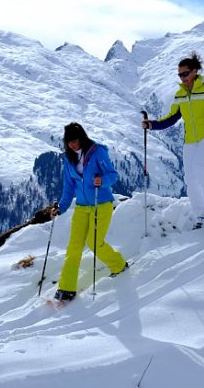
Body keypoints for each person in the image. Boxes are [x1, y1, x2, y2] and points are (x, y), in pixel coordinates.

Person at [142, 52, 204, 222]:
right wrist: (151, 124)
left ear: (195, 71)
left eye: (185, 74)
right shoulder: (180, 95)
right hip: (190, 140)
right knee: (189, 177)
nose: (183, 78)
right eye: (180, 75)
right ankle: (202, 212)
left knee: (199, 166)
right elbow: (172, 118)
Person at [50, 122, 128, 302]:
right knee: (74, 247)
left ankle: (119, 266)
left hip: (101, 203)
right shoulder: (68, 160)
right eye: (69, 142)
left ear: (81, 138)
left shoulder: (97, 152)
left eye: (75, 140)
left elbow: (113, 175)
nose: (72, 144)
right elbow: (68, 188)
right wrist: (60, 208)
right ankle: (66, 288)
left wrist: (102, 180)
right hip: (82, 207)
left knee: (94, 242)